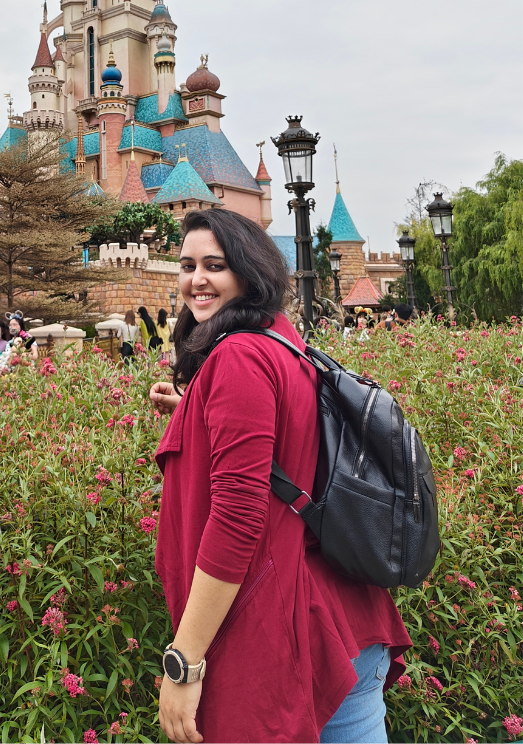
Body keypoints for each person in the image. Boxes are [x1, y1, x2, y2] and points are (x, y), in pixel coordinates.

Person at [145, 209, 409, 743]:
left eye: (214, 265)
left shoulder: (238, 357)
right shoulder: (280, 342)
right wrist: (192, 417)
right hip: (340, 620)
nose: (196, 279)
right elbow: (281, 450)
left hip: (296, 634)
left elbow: (239, 517)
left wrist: (185, 662)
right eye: (186, 265)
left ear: (248, 272)